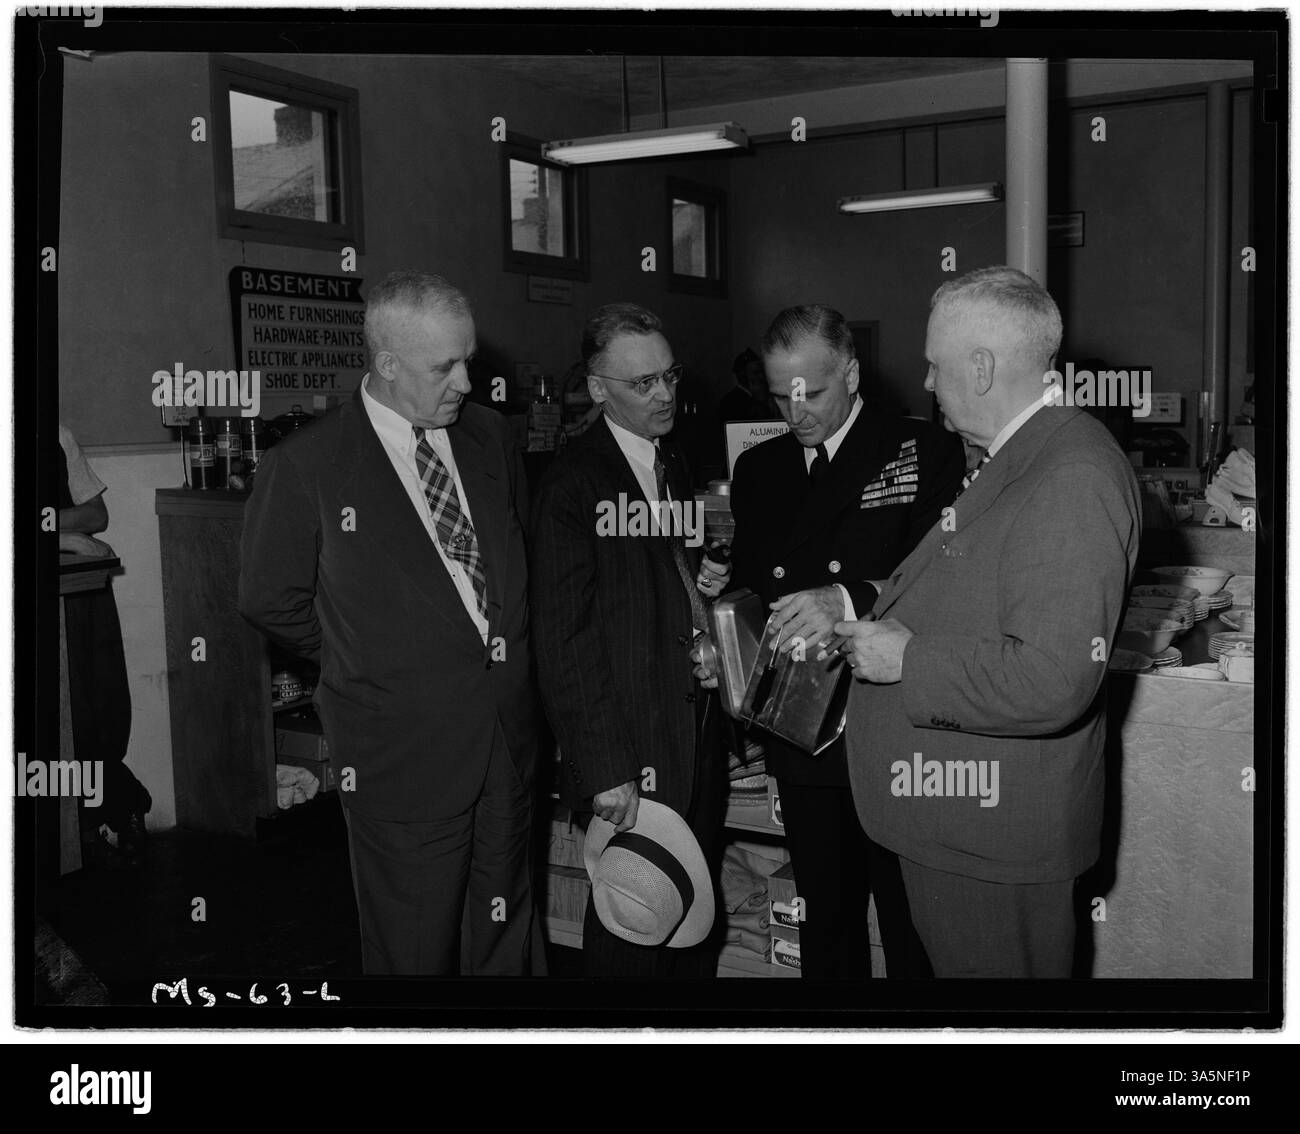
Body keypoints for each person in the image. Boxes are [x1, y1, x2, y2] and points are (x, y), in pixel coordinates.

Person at [832, 266, 1142, 978]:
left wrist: (910, 660)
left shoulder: (1069, 474)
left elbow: (1054, 677)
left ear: (980, 367)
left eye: (936, 367)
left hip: (994, 838)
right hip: (965, 822)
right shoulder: (1023, 456)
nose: (928, 383)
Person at [239, 270, 540, 976]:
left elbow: (509, 568)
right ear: (387, 364)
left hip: (507, 738)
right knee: (414, 950)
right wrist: (365, 657)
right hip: (399, 753)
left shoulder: (488, 437)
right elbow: (268, 598)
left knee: (504, 939)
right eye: (447, 367)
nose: (468, 381)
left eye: (468, 359)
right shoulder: (306, 466)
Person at [728, 305, 965, 979]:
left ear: (852, 373)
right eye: (780, 396)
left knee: (908, 924)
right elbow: (753, 589)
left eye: (813, 393)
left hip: (887, 720)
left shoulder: (922, 452)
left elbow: (945, 585)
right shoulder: (759, 470)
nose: (796, 413)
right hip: (801, 727)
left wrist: (848, 598)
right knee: (825, 921)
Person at [531, 302, 731, 978]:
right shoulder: (572, 484)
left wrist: (706, 591)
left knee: (687, 919)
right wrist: (604, 767)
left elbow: (659, 589)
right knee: (630, 925)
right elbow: (564, 642)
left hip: (692, 733)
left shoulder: (672, 462)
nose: (666, 394)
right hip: (627, 748)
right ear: (597, 387)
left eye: (670, 376)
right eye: (643, 383)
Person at [58, 424, 153, 866]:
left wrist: (52, 529)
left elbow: (95, 515)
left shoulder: (55, 434)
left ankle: (111, 812)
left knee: (100, 703)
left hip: (77, 584)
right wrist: (57, 533)